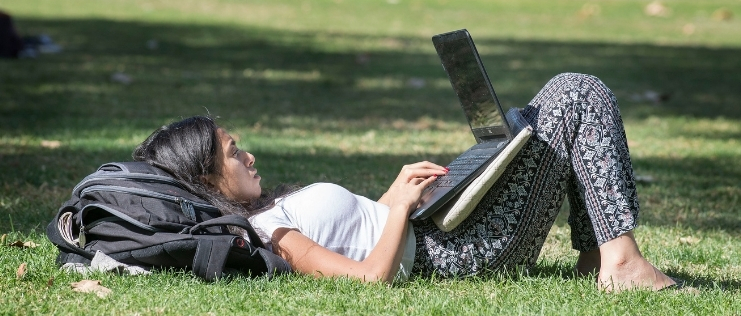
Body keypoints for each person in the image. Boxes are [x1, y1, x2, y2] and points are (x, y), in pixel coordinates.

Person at [133, 73, 678, 292]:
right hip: (457, 252)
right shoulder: (269, 232)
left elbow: (360, 230)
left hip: (435, 226)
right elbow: (370, 278)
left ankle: (597, 261)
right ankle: (620, 262)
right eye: (233, 153)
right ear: (207, 176)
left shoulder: (270, 210)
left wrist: (395, 196)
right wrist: (399, 212)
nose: (248, 155)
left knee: (542, 114)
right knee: (576, 95)